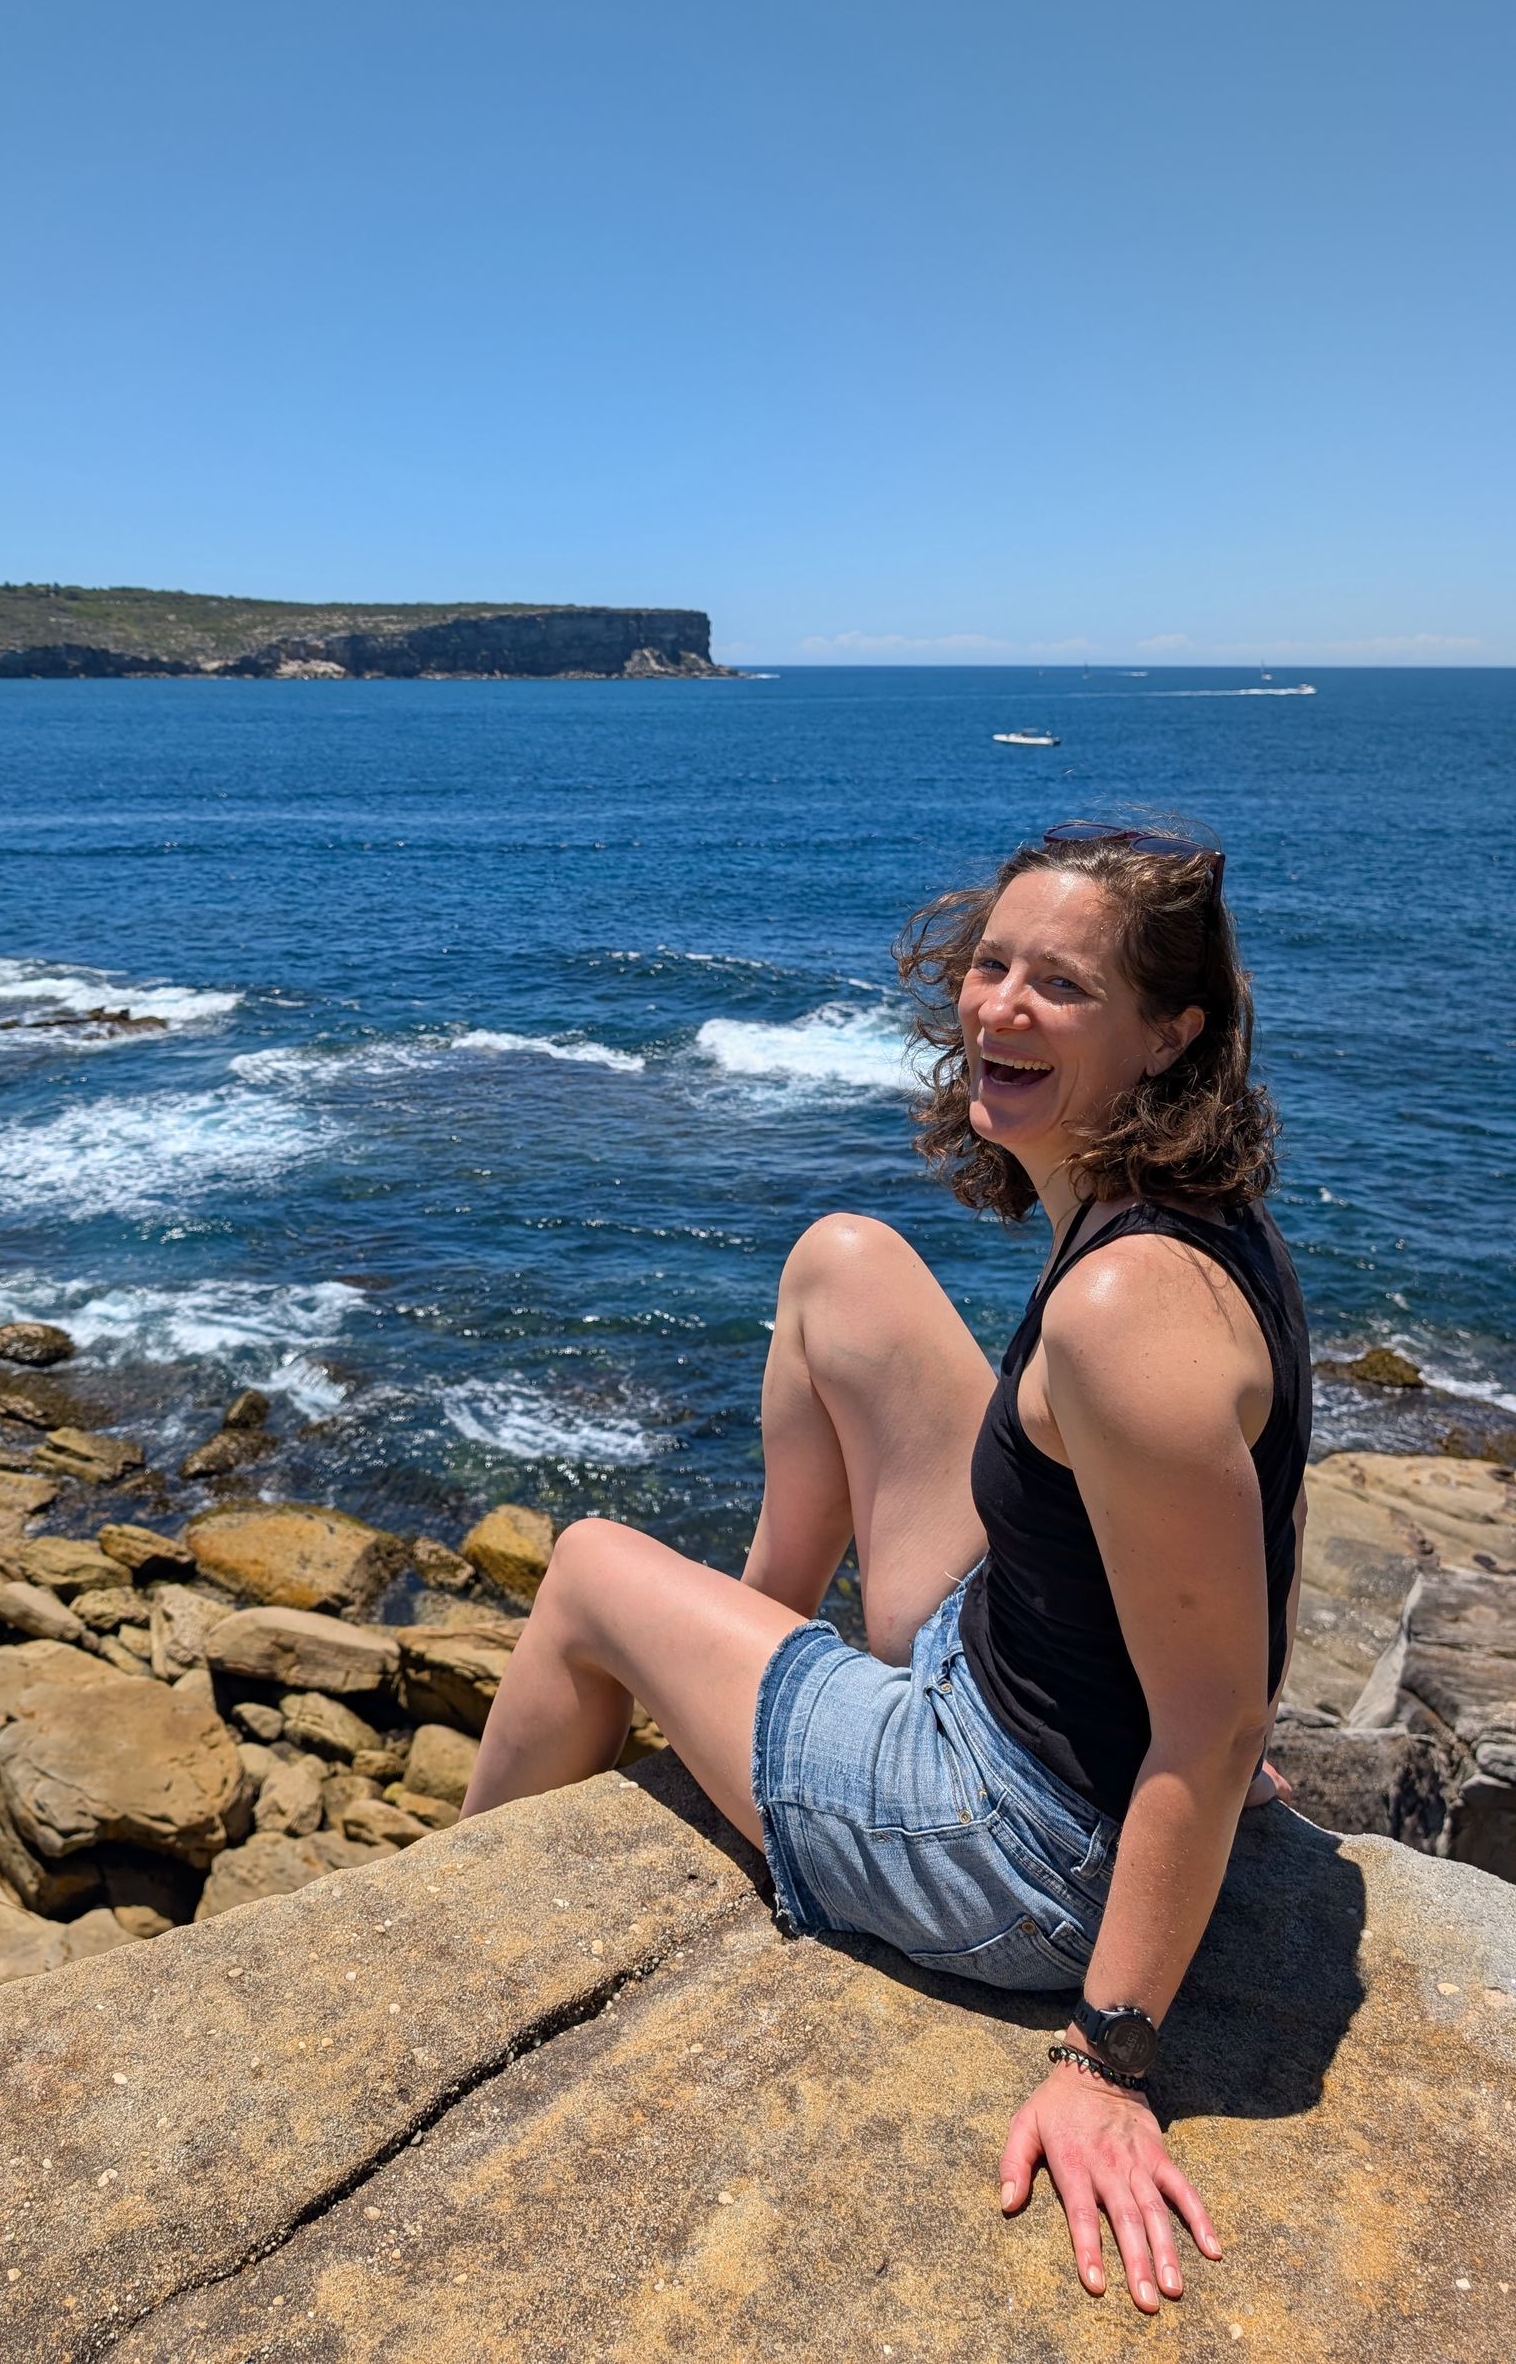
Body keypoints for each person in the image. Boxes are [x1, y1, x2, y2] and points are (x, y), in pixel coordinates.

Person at [461, 820, 1309, 2316]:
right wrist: (1200, 1713)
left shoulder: (1125, 1311)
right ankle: (762, 1671)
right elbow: (1235, 1572)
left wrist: (1106, 2062)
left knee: (588, 1564)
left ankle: (457, 1940)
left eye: (1063, 985)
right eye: (992, 964)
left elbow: (1220, 1714)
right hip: (1008, 1664)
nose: (999, 1007)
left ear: (1169, 1033)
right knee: (842, 1261)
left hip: (1019, 1842)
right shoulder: (1172, 1216)